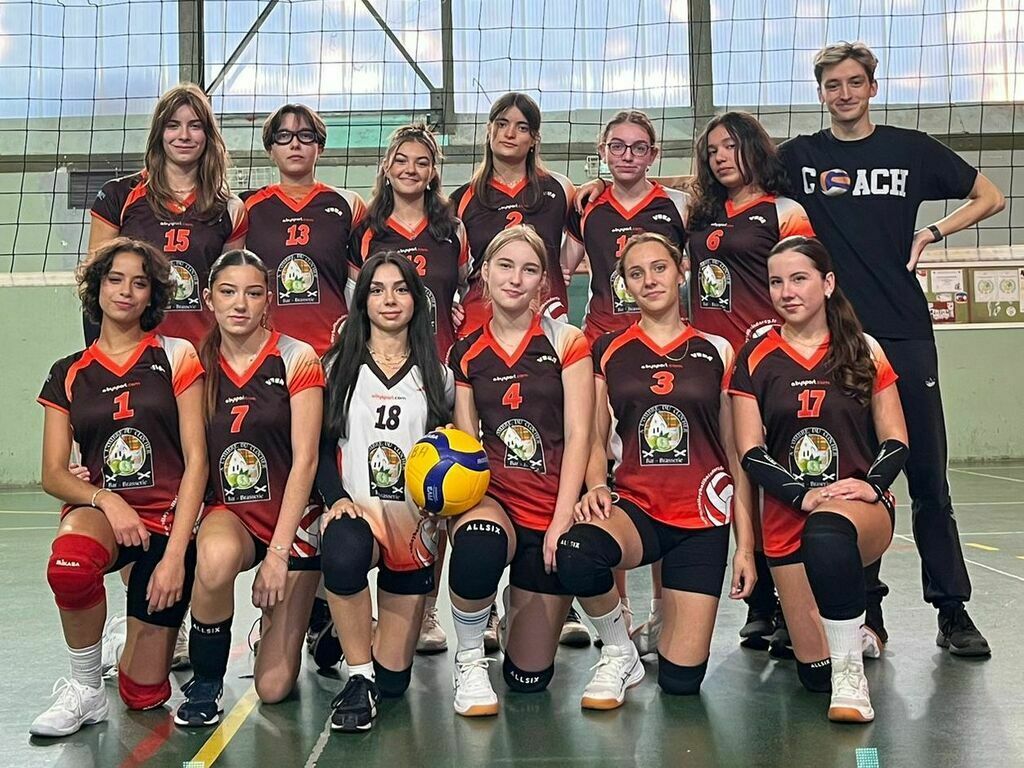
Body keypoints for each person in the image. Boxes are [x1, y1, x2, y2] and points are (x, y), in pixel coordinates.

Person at [778, 42, 1004, 655]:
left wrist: (931, 232)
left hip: (904, 331)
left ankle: (952, 612)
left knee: (927, 475)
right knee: (854, 477)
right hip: (838, 340)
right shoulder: (800, 157)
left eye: (855, 82)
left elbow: (991, 196)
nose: (844, 93)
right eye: (833, 85)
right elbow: (732, 183)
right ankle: (867, 616)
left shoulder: (910, 149)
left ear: (872, 87)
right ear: (820, 93)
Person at [558, 233, 756, 707]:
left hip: (701, 518)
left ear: (681, 270)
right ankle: (619, 650)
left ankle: (663, 635)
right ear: (624, 285)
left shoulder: (718, 350)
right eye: (636, 273)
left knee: (681, 683)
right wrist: (595, 484)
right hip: (637, 508)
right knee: (577, 551)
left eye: (659, 268)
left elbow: (736, 453)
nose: (649, 280)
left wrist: (746, 547)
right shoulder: (608, 349)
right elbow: (592, 434)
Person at [32, 238, 207, 737]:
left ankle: (127, 637)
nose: (125, 291)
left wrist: (176, 556)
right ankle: (86, 688)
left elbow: (197, 461)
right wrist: (106, 499)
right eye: (115, 279)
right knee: (68, 566)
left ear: (153, 295)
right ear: (98, 287)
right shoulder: (68, 372)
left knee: (143, 695)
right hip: (103, 513)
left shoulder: (176, 355)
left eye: (139, 282)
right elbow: (53, 473)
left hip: (166, 520)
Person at [730, 235, 909, 722]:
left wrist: (872, 484)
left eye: (799, 279)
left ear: (827, 283)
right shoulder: (754, 356)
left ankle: (852, 676)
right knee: (814, 674)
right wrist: (803, 495)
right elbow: (750, 451)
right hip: (789, 511)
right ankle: (850, 641)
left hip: (858, 508)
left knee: (827, 533)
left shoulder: (864, 350)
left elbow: (896, 438)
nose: (787, 292)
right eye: (776, 282)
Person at [445, 225, 593, 716]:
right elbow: (467, 445)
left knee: (529, 680)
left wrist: (562, 519)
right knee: (478, 545)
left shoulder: (566, 341)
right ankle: (469, 659)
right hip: (496, 499)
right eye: (505, 266)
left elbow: (579, 436)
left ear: (543, 283)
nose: (515, 279)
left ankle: (516, 612)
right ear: (485, 273)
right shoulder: (466, 351)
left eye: (529, 270)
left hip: (550, 502)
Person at [173, 250, 324, 727]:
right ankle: (207, 682)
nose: (240, 304)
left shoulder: (296, 357)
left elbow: (306, 460)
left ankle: (320, 612)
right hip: (232, 513)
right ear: (208, 299)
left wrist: (278, 554)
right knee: (214, 559)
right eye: (228, 292)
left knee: (273, 689)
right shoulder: (194, 363)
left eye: (253, 293)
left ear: (268, 300)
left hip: (293, 518)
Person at [687, 111, 816, 653]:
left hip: (767, 364)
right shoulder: (700, 215)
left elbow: (804, 283)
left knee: (775, 478)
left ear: (754, 149)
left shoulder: (784, 211)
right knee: (734, 475)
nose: (720, 157)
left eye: (730, 146)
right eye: (712, 150)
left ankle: (791, 603)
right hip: (712, 366)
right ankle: (759, 601)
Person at [560, 110, 689, 649]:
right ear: (603, 152)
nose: (627, 155)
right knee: (602, 476)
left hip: (662, 351)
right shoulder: (586, 205)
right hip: (602, 351)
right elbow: (562, 267)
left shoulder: (677, 205)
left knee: (662, 474)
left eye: (638, 147)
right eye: (617, 146)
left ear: (653, 154)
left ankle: (662, 608)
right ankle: (619, 610)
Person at [315, 252, 454, 733]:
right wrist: (335, 499)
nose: (389, 299)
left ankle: (343, 629)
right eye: (376, 289)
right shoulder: (337, 367)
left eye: (400, 289)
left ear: (417, 300)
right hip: (358, 512)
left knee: (394, 683)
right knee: (342, 555)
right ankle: (357, 676)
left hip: (413, 529)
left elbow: (454, 450)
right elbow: (319, 446)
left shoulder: (439, 375)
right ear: (362, 301)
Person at [350, 123, 469, 655]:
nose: (410, 169)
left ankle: (425, 611)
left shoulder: (452, 229)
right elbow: (357, 301)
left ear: (434, 171)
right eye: (401, 159)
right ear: (386, 166)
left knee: (433, 491)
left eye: (422, 161)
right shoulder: (367, 231)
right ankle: (362, 614)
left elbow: (463, 290)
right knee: (372, 487)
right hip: (379, 372)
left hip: (433, 374)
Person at [88, 83, 248, 348]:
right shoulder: (119, 196)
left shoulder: (230, 208)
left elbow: (230, 292)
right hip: (135, 351)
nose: (184, 135)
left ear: (208, 135)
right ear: (159, 133)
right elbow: (96, 286)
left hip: (202, 352)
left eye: (195, 126)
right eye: (173, 125)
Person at [244, 103, 367, 356]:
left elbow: (363, 284)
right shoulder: (246, 206)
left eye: (305, 135)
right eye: (284, 136)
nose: (295, 144)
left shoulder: (349, 204)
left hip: (332, 349)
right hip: (266, 350)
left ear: (319, 147)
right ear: (270, 149)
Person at [451, 92, 575, 336]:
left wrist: (558, 269)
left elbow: (589, 229)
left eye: (522, 127)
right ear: (489, 130)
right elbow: (450, 270)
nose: (509, 133)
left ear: (534, 138)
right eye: (502, 124)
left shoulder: (561, 189)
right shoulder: (461, 199)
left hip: (544, 320)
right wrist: (450, 301)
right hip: (480, 322)